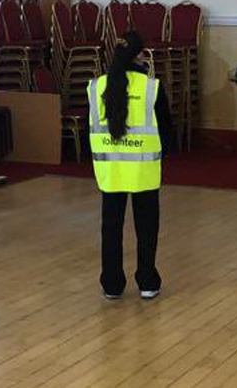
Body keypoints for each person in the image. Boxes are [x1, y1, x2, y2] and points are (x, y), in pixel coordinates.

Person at [88, 31, 173, 301]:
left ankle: (112, 284)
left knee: (110, 228)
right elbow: (167, 133)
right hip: (143, 170)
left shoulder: (96, 87)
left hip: (110, 171)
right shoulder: (151, 87)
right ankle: (147, 281)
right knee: (146, 227)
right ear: (140, 55)